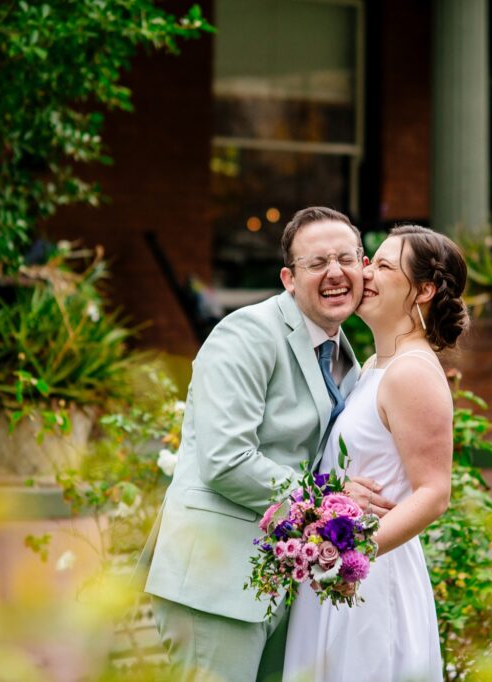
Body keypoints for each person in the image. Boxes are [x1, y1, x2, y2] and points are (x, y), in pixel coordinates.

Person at [132, 207, 397, 682]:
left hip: (282, 583)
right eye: (317, 263)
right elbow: (226, 461)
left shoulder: (345, 355)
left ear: (363, 267)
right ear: (289, 278)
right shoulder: (247, 333)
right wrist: (333, 501)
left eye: (346, 258)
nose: (335, 273)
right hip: (216, 583)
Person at [283, 225, 469, 682]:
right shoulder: (372, 366)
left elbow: (433, 494)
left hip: (370, 579)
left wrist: (350, 558)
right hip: (339, 569)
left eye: (383, 266)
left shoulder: (413, 372)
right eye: (371, 260)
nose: (365, 273)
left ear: (423, 289)